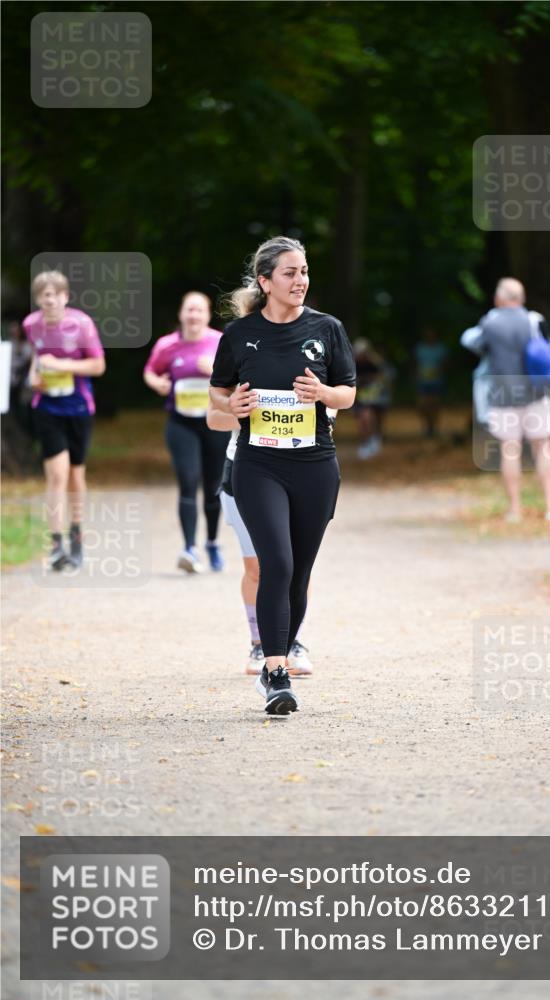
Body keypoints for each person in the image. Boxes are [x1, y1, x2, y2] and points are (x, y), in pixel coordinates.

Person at [209, 236, 356, 715]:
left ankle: (283, 648)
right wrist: (231, 406)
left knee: (300, 573)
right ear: (266, 281)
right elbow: (217, 396)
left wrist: (322, 392)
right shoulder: (239, 335)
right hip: (259, 465)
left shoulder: (328, 329)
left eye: (305, 271)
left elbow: (348, 396)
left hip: (315, 466)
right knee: (277, 562)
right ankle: (275, 672)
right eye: (290, 273)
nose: (301, 281)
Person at [206, 416, 315, 677]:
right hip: (246, 471)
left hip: (303, 468)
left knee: (296, 566)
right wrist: (250, 413)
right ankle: (258, 644)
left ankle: (292, 642)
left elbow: (334, 408)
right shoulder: (239, 374)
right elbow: (214, 418)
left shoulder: (316, 375)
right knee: (257, 567)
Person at [23, 270, 106, 569]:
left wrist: (60, 364)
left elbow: (98, 365)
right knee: (56, 475)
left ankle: (77, 537)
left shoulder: (81, 324)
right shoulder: (31, 325)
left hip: (79, 408)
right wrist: (35, 377)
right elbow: (36, 358)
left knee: (74, 476)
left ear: (65, 297)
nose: (50, 299)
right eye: (44, 295)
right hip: (47, 408)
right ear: (37, 300)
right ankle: (56, 543)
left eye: (55, 294)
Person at [461, 277, 550, 522]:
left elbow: (472, 343)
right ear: (521, 298)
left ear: (500, 298)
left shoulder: (490, 322)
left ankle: (515, 509)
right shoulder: (533, 320)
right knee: (544, 447)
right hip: (535, 393)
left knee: (510, 450)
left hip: (502, 394)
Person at [144, 292, 228, 572]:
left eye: (199, 311)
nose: (193, 316)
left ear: (207, 315)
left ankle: (213, 543)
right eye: (189, 310)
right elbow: (150, 371)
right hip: (181, 423)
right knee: (188, 480)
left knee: (215, 486)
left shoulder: (219, 342)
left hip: (215, 421)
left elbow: (240, 376)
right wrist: (157, 384)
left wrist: (215, 369)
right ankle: (189, 549)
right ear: (181, 314)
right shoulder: (167, 345)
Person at [353, 339, 392, 459]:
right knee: (364, 420)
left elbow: (388, 374)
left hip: (378, 398)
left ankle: (375, 439)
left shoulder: (376, 363)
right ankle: (365, 443)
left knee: (377, 420)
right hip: (362, 399)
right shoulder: (353, 365)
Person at [415, 326, 448, 438]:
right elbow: (416, 363)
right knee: (423, 404)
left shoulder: (440, 348)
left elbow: (445, 364)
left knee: (435, 404)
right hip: (423, 381)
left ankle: (433, 427)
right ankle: (427, 425)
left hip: (436, 381)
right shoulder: (420, 348)